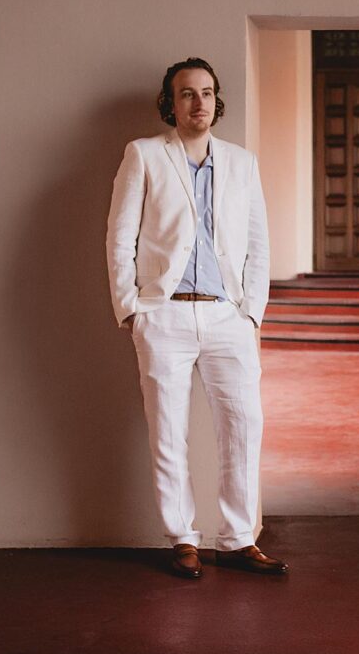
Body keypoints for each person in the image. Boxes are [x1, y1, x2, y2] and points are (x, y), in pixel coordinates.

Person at [106, 57, 287, 579]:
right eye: (187, 94)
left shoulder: (240, 162)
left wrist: (251, 312)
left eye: (207, 93)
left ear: (216, 100)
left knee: (243, 425)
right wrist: (132, 308)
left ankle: (236, 539)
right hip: (163, 315)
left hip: (227, 316)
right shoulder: (143, 155)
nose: (198, 103)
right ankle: (182, 538)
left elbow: (258, 242)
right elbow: (121, 236)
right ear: (171, 101)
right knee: (168, 429)